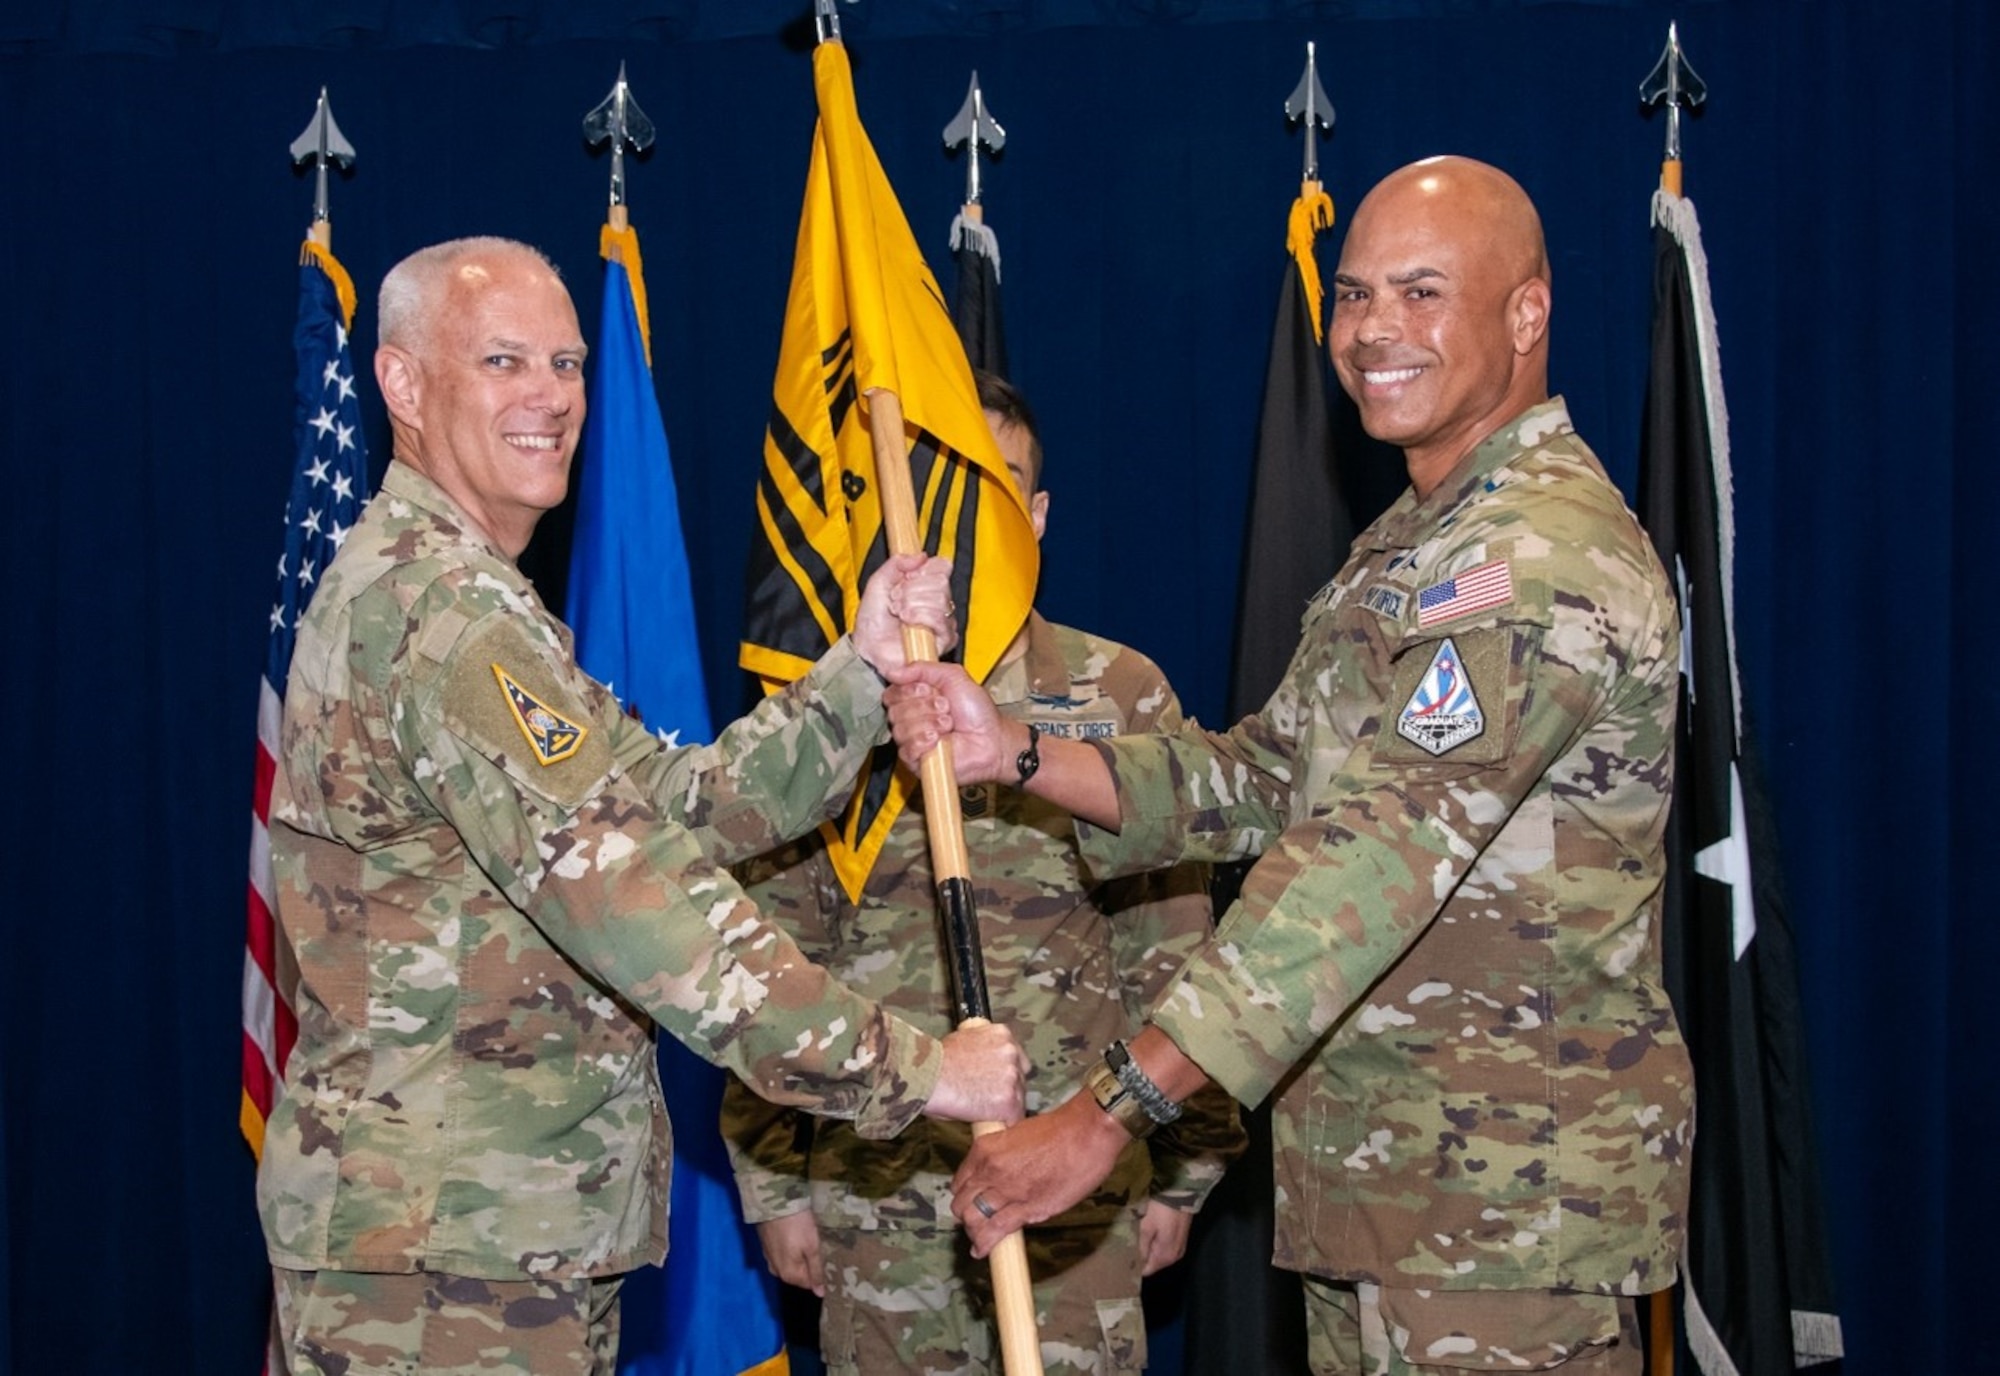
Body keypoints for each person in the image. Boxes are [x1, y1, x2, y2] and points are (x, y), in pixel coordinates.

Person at [888, 158, 1694, 1376]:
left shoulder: (1535, 556)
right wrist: (1019, 750)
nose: (1372, 329)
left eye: (1421, 292)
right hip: (1381, 1189)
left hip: (1504, 1217)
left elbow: (1361, 863)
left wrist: (1105, 1116)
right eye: (1356, 294)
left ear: (1524, 313)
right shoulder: (1408, 548)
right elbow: (1257, 779)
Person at [256, 236, 1027, 1376]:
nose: (551, 397)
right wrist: (919, 1070)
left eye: (566, 365)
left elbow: (674, 804)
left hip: (489, 1234)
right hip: (442, 1257)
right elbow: (644, 907)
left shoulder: (470, 600)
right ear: (404, 385)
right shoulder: (441, 619)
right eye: (505, 361)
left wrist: (859, 674)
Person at [720, 372, 1244, 1376]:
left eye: (995, 493)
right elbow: (767, 955)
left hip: (1072, 1184)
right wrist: (772, 1184)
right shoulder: (827, 715)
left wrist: (1184, 1173)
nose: (961, 530)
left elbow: (1177, 948)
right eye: (936, 496)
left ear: (1036, 516)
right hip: (876, 1191)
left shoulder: (1116, 693)